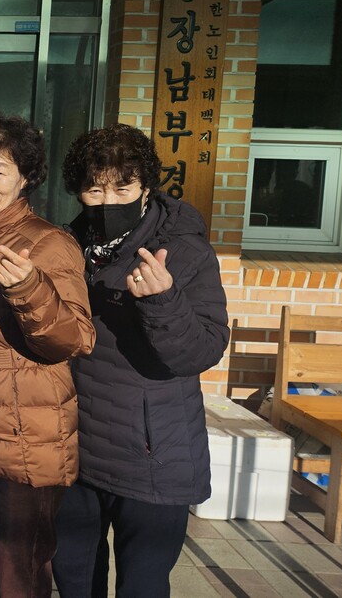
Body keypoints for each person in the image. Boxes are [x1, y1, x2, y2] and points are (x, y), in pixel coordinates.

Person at [51, 124, 230, 598]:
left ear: (146, 186)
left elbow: (202, 351)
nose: (108, 201)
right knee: (73, 579)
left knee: (143, 585)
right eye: (94, 189)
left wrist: (163, 300)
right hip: (77, 447)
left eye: (122, 188)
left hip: (153, 453)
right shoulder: (68, 245)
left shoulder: (183, 249)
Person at [0, 106, 95, 598]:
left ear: (25, 178)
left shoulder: (50, 242)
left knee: (17, 574)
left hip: (26, 440)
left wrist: (30, 290)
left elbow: (74, 339)